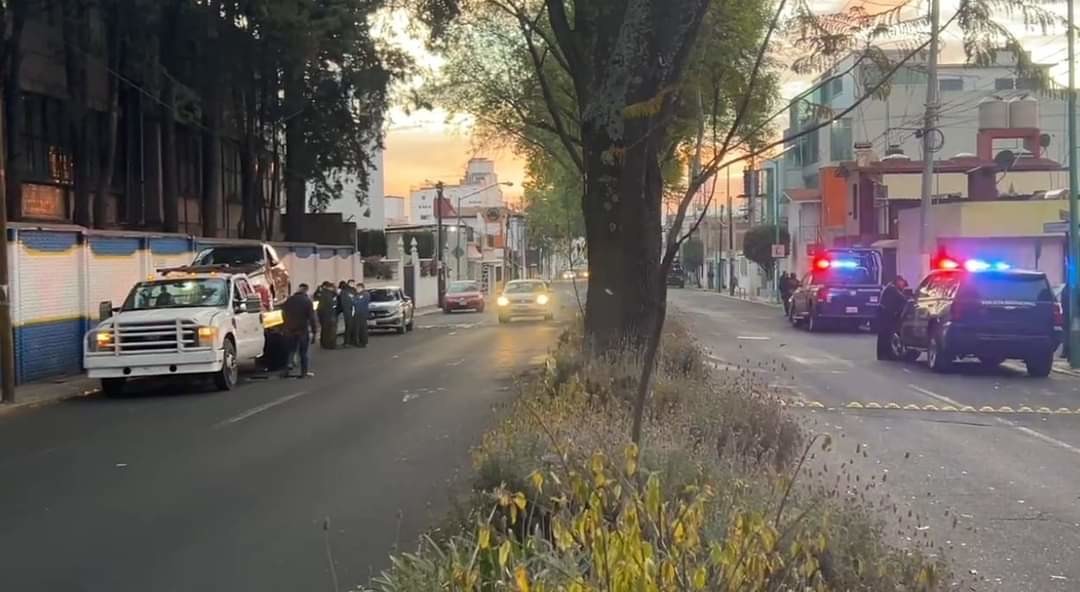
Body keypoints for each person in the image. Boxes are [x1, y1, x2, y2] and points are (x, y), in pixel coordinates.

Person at [281, 283, 318, 378]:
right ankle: (304, 373)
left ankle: (287, 368)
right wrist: (314, 331)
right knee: (303, 352)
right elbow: (312, 318)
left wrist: (285, 325)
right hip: (302, 330)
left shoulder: (289, 300)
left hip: (289, 329)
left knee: (290, 350)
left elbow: (283, 313)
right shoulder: (307, 301)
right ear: (306, 290)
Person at [876, 275, 910, 360]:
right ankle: (885, 355)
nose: (903, 286)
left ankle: (883, 355)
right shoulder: (892, 289)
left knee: (885, 335)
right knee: (886, 334)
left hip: (884, 313)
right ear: (898, 281)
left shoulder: (891, 287)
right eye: (902, 283)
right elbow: (902, 299)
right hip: (885, 314)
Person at [315, 281, 338, 349]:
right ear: (330, 287)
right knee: (331, 331)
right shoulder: (328, 294)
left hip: (323, 315)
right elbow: (332, 304)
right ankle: (331, 345)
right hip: (329, 315)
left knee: (324, 330)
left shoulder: (321, 293)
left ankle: (324, 344)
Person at [338, 280, 356, 347]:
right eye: (352, 283)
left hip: (353, 310)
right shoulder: (345, 291)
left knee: (352, 326)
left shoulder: (353, 290)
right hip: (348, 310)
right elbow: (344, 302)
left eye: (354, 283)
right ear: (349, 283)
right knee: (349, 326)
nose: (353, 284)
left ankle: (351, 340)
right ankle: (347, 342)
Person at [352, 282, 370, 347]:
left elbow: (357, 302)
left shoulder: (364, 294)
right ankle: (360, 341)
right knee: (358, 328)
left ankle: (363, 342)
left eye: (357, 288)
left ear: (361, 288)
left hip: (362, 313)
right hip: (358, 313)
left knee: (362, 328)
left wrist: (354, 300)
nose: (356, 289)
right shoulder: (358, 294)